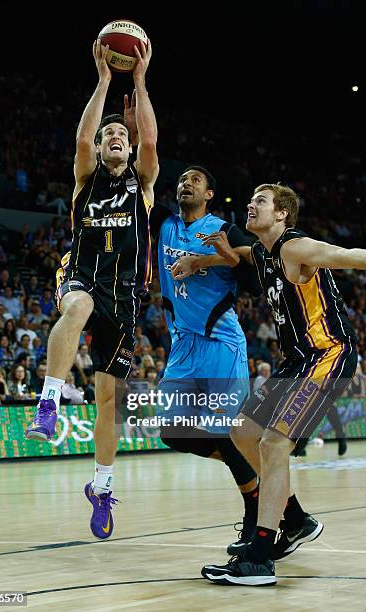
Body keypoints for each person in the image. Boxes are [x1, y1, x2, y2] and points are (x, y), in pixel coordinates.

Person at [25, 37, 158, 542]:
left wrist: (140, 84)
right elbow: (82, 141)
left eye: (121, 133)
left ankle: (102, 489)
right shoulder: (86, 178)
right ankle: (49, 402)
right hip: (83, 273)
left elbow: (150, 141)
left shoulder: (143, 183)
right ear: (101, 148)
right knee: (75, 305)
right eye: (109, 135)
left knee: (109, 402)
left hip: (125, 298)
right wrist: (104, 80)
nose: (116, 137)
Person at [198, 183, 359, 586]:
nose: (251, 205)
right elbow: (236, 255)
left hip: (327, 354)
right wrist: (198, 261)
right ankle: (296, 520)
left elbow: (345, 256)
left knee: (273, 444)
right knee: (242, 431)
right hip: (295, 361)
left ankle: (260, 558)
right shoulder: (262, 253)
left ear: (283, 214)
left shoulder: (293, 247)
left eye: (261, 202)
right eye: (250, 199)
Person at [151, 165, 262, 553]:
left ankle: (257, 511)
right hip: (182, 346)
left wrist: (212, 260)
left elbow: (253, 270)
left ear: (210, 193)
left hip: (220, 342)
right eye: (182, 179)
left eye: (196, 180)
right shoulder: (164, 224)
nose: (186, 183)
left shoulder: (223, 230)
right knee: (171, 430)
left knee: (228, 432)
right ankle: (253, 474)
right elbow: (143, 170)